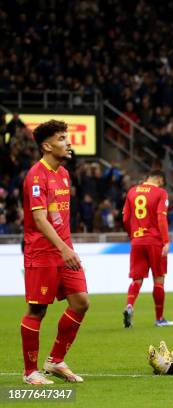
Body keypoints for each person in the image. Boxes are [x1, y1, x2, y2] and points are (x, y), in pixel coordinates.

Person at [20, 120, 89, 385]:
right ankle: (30, 372)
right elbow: (39, 219)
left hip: (63, 252)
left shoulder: (63, 174)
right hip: (42, 254)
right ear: (46, 146)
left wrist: (66, 246)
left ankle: (56, 360)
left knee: (81, 302)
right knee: (37, 311)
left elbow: (56, 214)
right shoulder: (36, 176)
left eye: (67, 137)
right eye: (62, 138)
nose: (68, 142)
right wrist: (63, 248)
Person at [122, 170, 173, 328]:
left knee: (136, 279)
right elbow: (161, 216)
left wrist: (133, 236)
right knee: (159, 279)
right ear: (159, 179)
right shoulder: (160, 192)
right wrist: (166, 240)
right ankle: (159, 319)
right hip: (155, 241)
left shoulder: (132, 191)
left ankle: (129, 305)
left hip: (137, 241)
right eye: (161, 182)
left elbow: (125, 217)